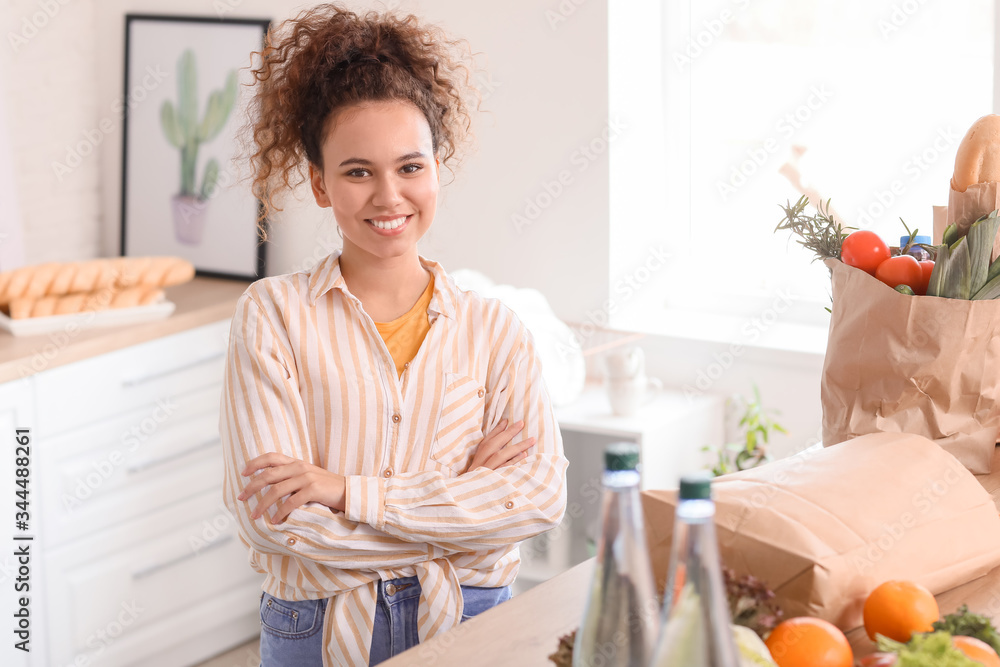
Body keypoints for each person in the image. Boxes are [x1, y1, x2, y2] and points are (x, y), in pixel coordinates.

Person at [219, 4, 569, 666]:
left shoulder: (495, 330)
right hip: (316, 629)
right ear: (320, 183)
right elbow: (276, 520)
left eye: (410, 167)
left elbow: (538, 496)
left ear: (438, 166)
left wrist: (345, 489)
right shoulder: (272, 315)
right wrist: (461, 511)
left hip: (471, 622)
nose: (389, 195)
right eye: (358, 171)